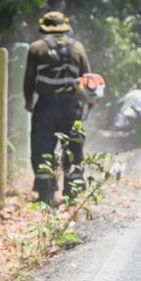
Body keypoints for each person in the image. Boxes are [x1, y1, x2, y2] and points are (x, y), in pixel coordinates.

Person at [23, 11, 91, 205]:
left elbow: (29, 80)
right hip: (71, 107)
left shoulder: (36, 48)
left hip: (46, 106)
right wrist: (86, 102)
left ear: (44, 27)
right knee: (74, 148)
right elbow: (87, 77)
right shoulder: (78, 47)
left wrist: (29, 102)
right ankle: (72, 192)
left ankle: (46, 194)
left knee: (42, 149)